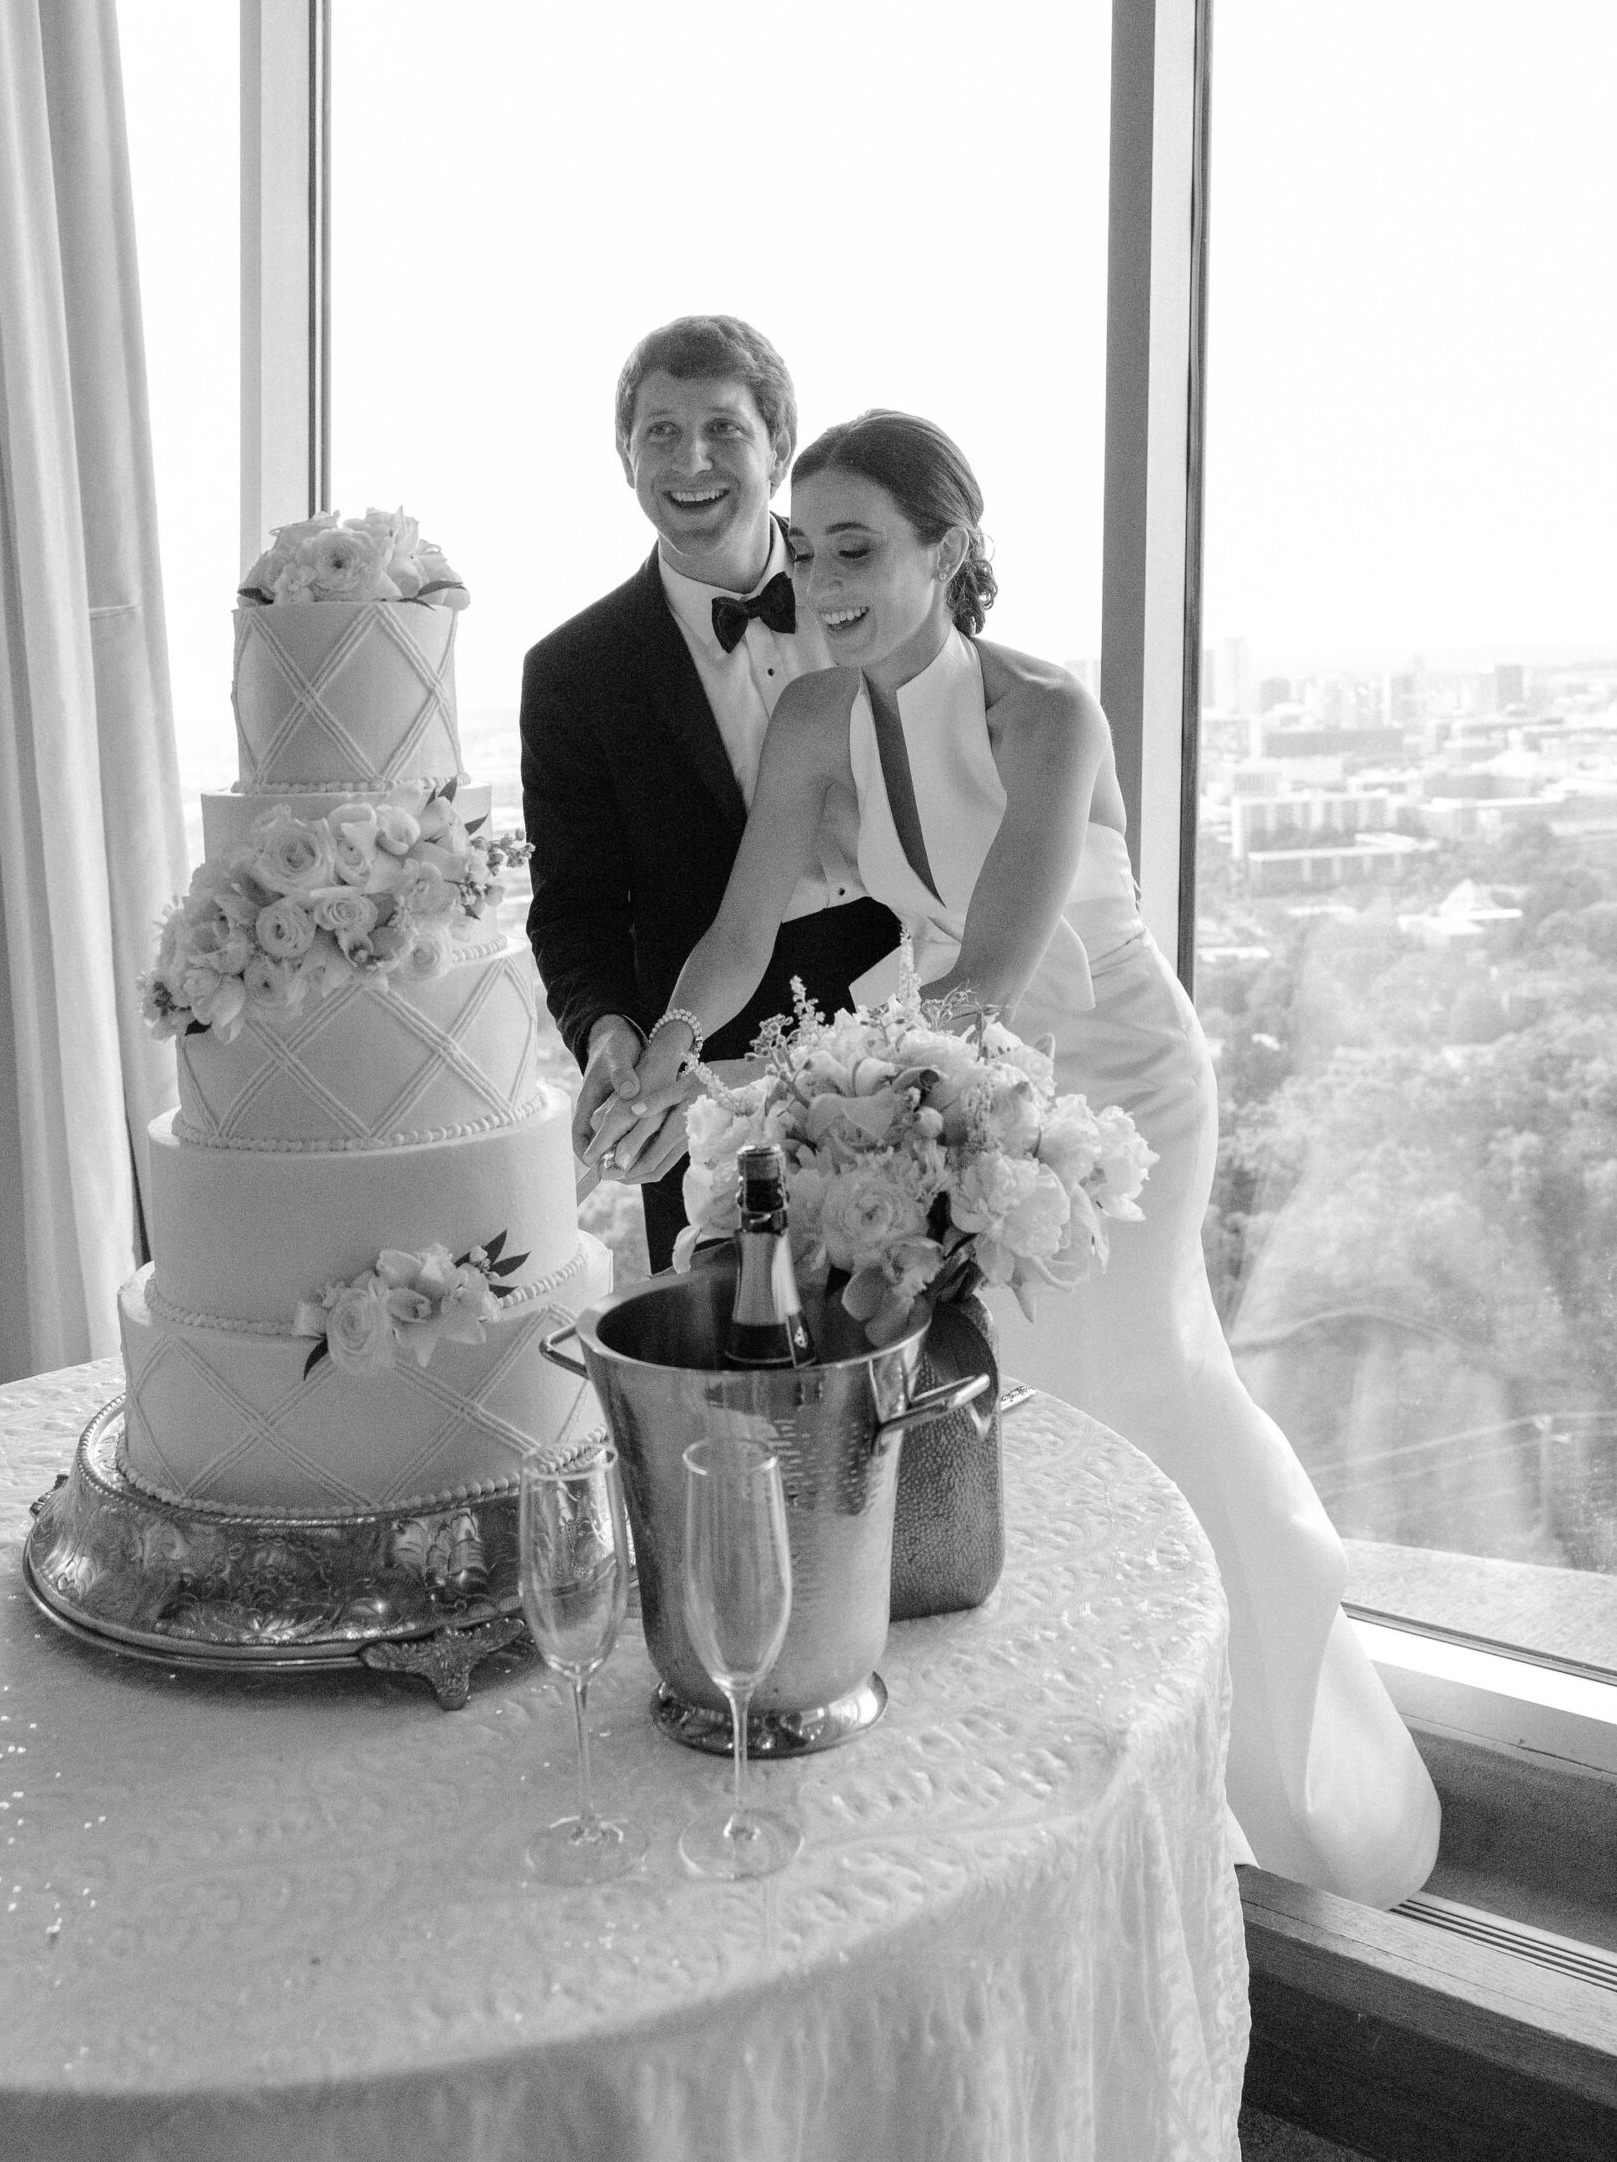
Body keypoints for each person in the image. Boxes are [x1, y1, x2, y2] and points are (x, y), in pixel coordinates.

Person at [598, 407, 1441, 1907]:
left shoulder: (1047, 713)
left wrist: (797, 1093)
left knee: (1129, 1395)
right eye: (805, 550)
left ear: (949, 549)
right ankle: (1080, 1761)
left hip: (1108, 1094)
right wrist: (673, 1047)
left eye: (858, 547)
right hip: (955, 1082)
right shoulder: (810, 717)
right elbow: (738, 939)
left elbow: (987, 971)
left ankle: (1252, 1785)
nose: (821, 579)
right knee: (1024, 1417)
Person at [520, 318, 900, 1270]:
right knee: (735, 1361)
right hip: (700, 1059)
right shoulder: (573, 672)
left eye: (724, 428)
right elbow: (575, 910)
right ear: (624, 457)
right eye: (658, 431)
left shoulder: (881, 598)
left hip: (916, 1002)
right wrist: (610, 1034)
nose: (690, 458)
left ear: (778, 446)